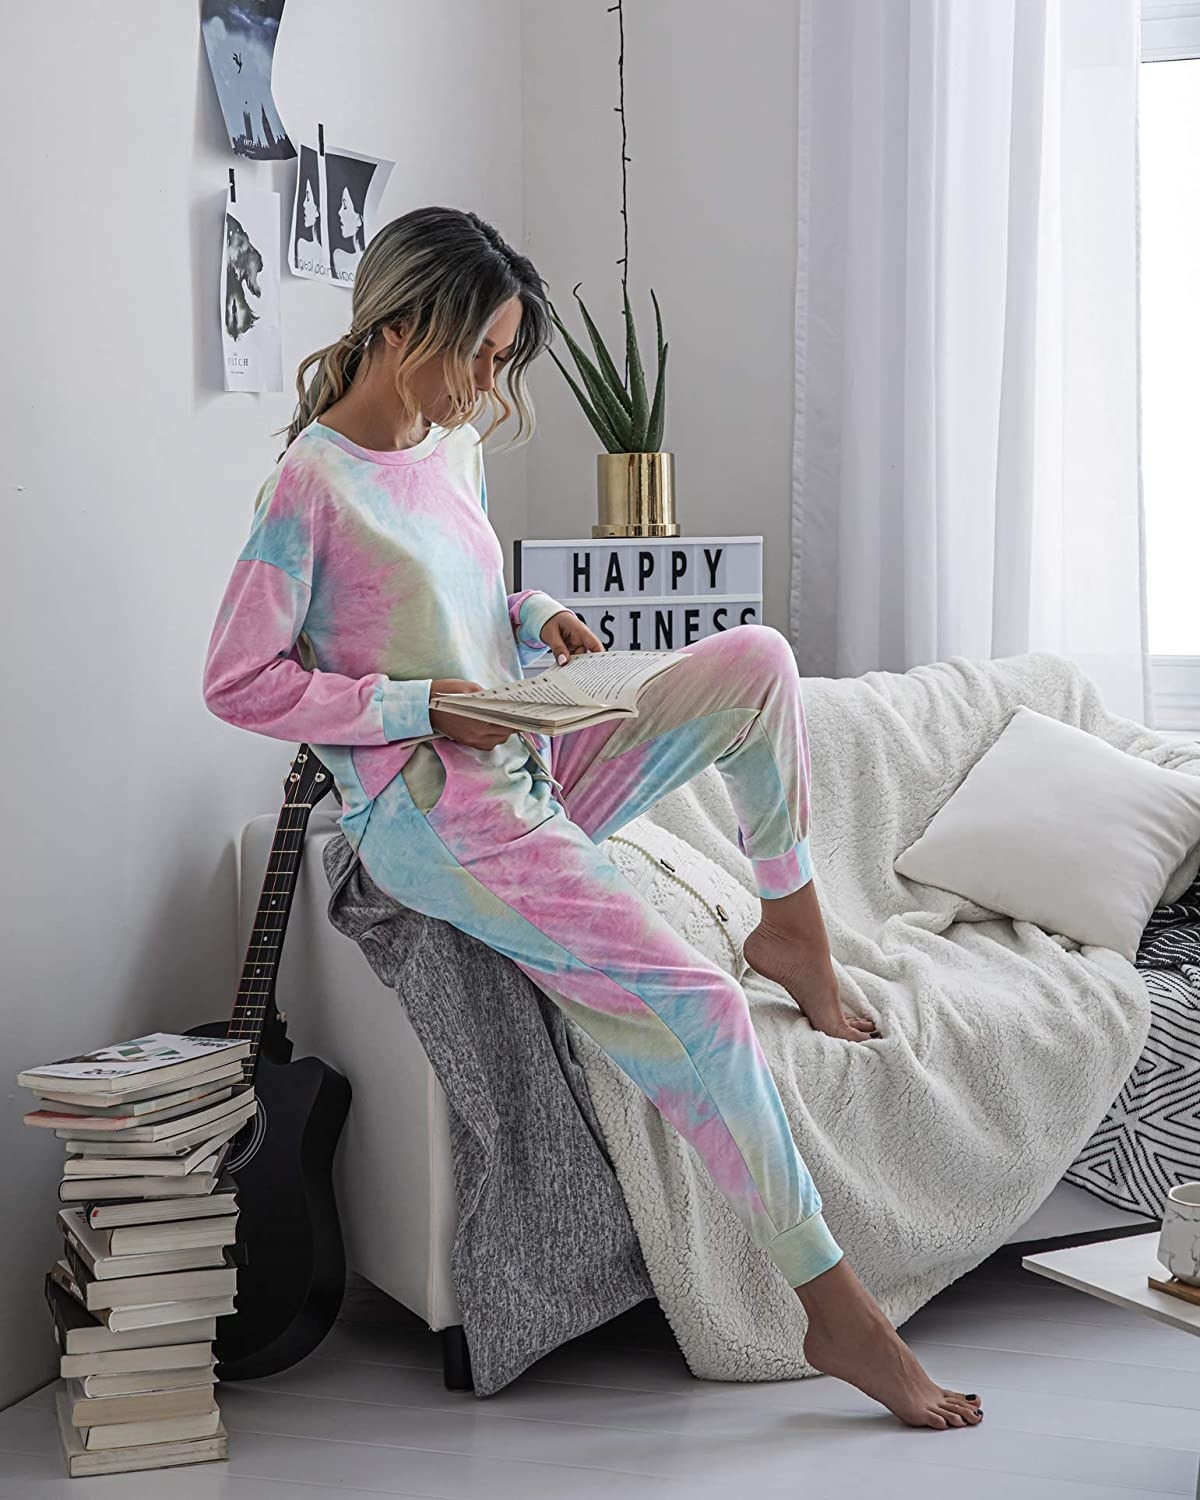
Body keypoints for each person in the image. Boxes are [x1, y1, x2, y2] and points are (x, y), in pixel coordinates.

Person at [201, 205, 983, 1431]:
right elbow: (238, 681)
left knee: (758, 662)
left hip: (527, 750)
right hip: (439, 815)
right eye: (479, 354)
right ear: (399, 328)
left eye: (503, 357)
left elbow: (445, 601)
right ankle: (837, 1309)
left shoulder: (445, 444)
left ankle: (794, 928)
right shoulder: (312, 482)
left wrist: (531, 619)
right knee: (702, 1006)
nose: (490, 384)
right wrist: (419, 708)